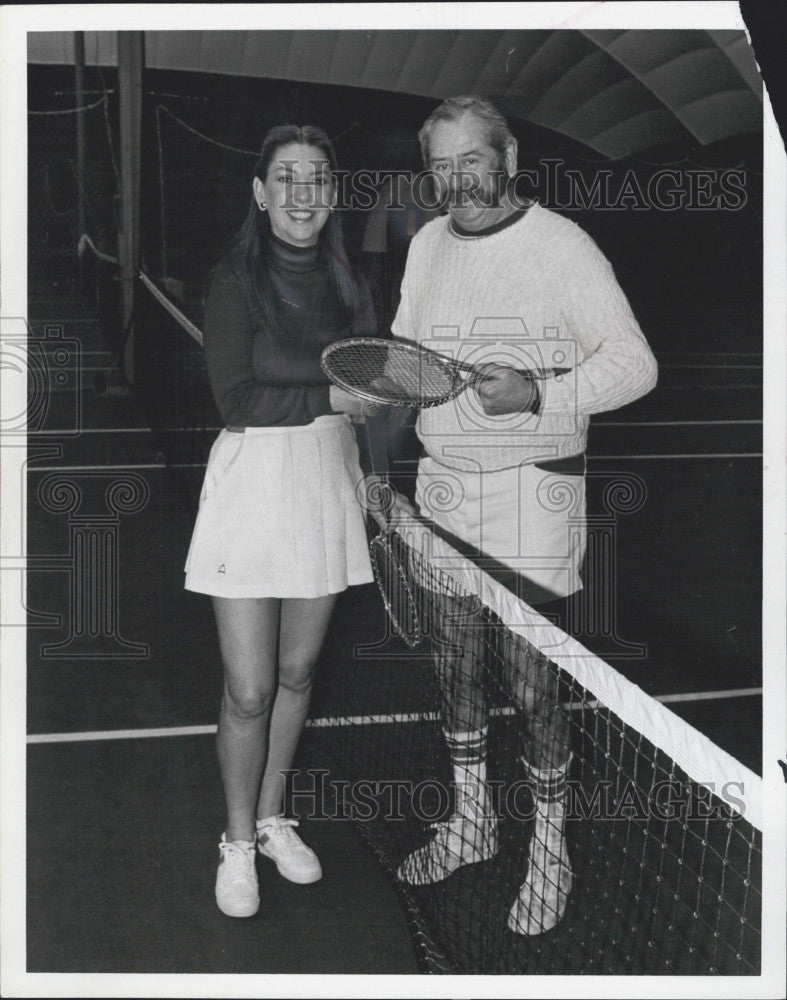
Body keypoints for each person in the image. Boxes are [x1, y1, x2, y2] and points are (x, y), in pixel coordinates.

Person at [389, 96, 658, 935]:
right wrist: (387, 389)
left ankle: (550, 849)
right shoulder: (428, 243)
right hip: (441, 491)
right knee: (454, 668)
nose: (456, 180)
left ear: (508, 155)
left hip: (530, 494)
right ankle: (472, 821)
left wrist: (542, 391)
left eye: (471, 160)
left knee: (533, 681)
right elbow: (404, 350)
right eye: (440, 165)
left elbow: (634, 364)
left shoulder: (561, 244)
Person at [184, 124, 378, 918]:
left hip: (326, 481)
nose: (303, 192)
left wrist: (377, 464)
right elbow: (234, 398)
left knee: (298, 674)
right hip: (251, 484)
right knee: (251, 686)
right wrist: (329, 399)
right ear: (261, 194)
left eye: (318, 177)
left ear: (332, 194)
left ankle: (270, 819)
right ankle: (234, 843)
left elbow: (370, 378)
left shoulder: (351, 282)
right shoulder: (233, 280)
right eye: (286, 177)